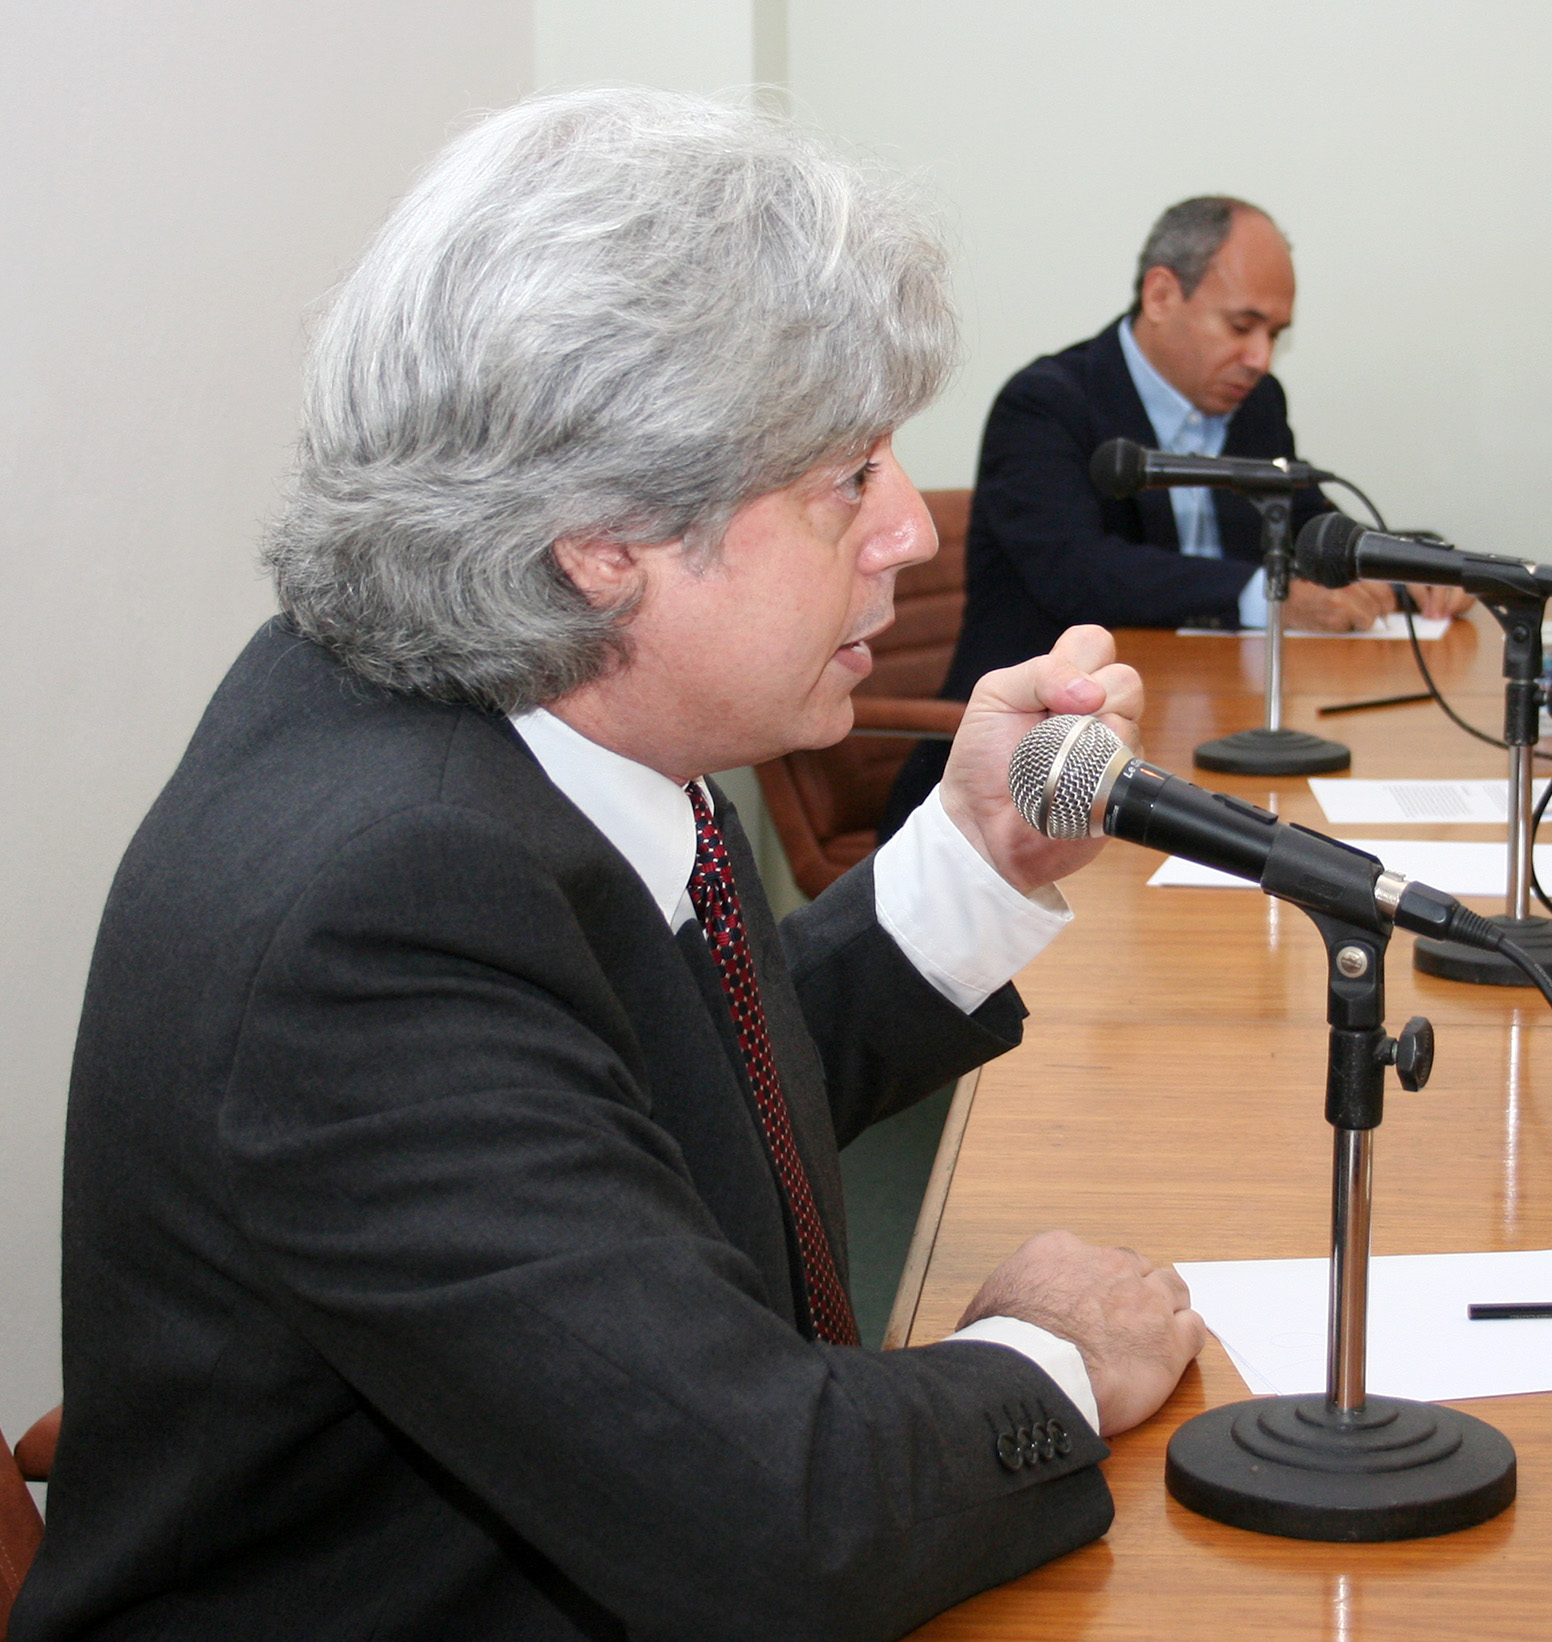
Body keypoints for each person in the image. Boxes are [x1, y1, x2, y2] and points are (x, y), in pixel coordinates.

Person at [15, 91, 1205, 1642]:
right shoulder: (373, 913)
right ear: (600, 533)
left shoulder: (514, 717)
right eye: (845, 475)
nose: (910, 528)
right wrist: (1043, 1360)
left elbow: (662, 1096)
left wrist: (976, 856)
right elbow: (775, 1527)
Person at [878, 196, 1467, 838]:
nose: (1260, 358)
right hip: (1038, 770)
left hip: (1205, 734)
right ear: (1162, 295)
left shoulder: (1256, 404)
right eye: (1242, 327)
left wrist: (1416, 566)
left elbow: (1308, 524)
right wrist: (1264, 598)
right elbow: (1079, 572)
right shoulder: (1046, 404)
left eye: (1274, 334)